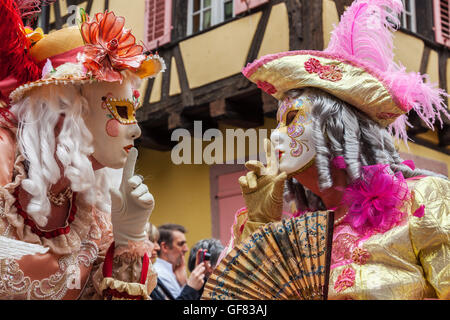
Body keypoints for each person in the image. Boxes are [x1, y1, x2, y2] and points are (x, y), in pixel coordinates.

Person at [224, 0, 450, 300]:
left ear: (338, 129)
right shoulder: (299, 232)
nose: (276, 137)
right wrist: (260, 225)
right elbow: (238, 300)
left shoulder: (422, 200)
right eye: (277, 124)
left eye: (291, 120)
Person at [0, 1, 165, 299]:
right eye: (122, 109)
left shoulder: (93, 216)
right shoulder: (4, 167)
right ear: (66, 112)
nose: (136, 129)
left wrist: (130, 237)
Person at [151, 223, 207, 300]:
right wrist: (190, 287)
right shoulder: (159, 274)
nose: (186, 249)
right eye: (180, 244)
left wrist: (184, 283)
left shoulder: (175, 272)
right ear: (165, 247)